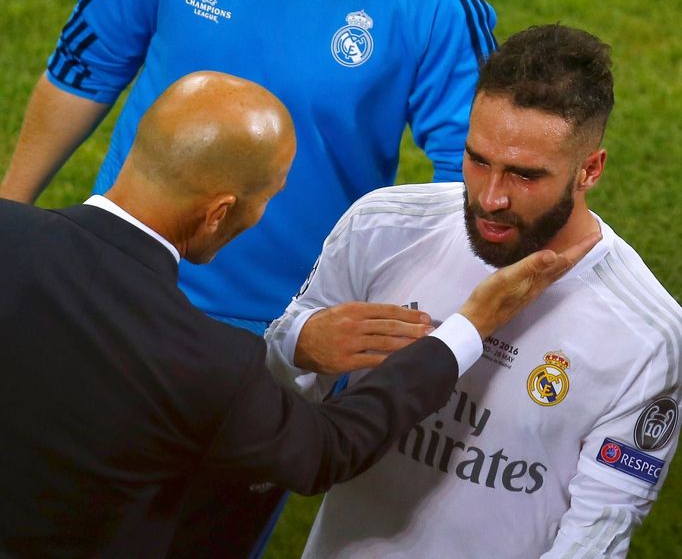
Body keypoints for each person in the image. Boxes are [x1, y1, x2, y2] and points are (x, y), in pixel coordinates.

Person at [0, 70, 597, 558]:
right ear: (218, 214)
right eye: (269, 196)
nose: (262, 214)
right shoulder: (208, 363)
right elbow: (326, 449)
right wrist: (467, 329)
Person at [266, 25, 682, 558]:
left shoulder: (645, 334)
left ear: (589, 171)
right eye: (478, 159)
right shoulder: (381, 230)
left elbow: (597, 533)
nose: (490, 198)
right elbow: (272, 409)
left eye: (524, 176)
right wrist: (299, 344)